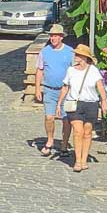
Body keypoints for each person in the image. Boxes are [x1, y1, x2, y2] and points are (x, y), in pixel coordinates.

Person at [56, 43, 107, 174]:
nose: (76, 56)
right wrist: (59, 103)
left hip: (91, 104)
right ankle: (78, 161)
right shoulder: (71, 70)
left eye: (78, 54)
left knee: (87, 132)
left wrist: (104, 101)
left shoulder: (93, 71)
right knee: (78, 131)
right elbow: (65, 87)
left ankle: (84, 160)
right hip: (74, 104)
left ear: (85, 57)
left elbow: (100, 87)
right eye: (76, 54)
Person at [35, 22, 74, 157]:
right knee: (49, 117)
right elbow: (39, 71)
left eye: (56, 36)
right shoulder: (44, 52)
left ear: (61, 37)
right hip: (49, 90)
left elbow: (75, 71)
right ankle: (50, 141)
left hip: (65, 91)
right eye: (51, 36)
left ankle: (64, 144)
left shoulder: (69, 52)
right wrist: (37, 89)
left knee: (66, 119)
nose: (53, 38)